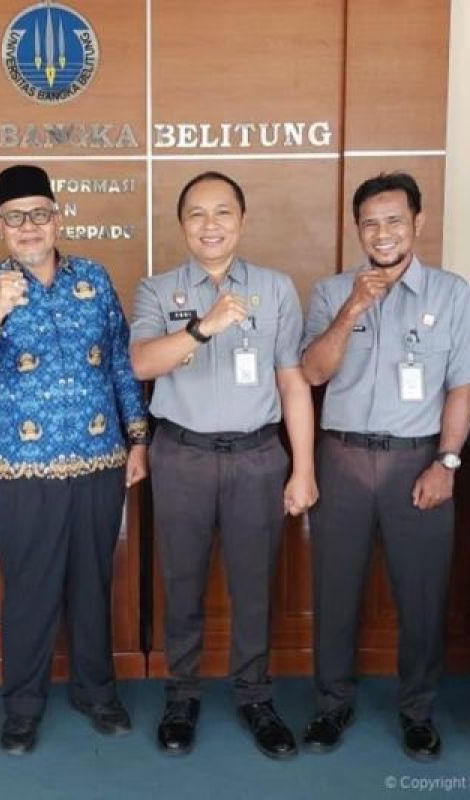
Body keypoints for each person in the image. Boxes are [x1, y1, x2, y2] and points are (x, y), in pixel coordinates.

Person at [0, 164, 149, 755]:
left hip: (98, 460)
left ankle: (96, 692)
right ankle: (23, 707)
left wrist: (138, 437)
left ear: (57, 219)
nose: (28, 226)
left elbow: (120, 360)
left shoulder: (93, 277)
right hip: (21, 468)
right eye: (15, 217)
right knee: (29, 592)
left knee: (92, 585)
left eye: (39, 214)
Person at [299, 172, 470, 761]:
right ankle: (332, 704)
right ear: (357, 229)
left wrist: (447, 463)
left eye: (394, 221)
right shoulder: (332, 291)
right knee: (335, 592)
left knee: (423, 595)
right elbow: (313, 372)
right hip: (342, 460)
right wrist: (353, 309)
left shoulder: (451, 294)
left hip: (418, 462)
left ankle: (417, 711)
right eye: (370, 224)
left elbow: (463, 387)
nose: (382, 234)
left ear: (418, 223)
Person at [129, 171, 317, 760]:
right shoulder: (157, 290)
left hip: (257, 458)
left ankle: (255, 697)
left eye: (222, 213)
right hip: (181, 456)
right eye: (197, 214)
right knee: (181, 582)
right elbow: (142, 363)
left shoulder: (275, 288)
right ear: (182, 224)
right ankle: (181, 696)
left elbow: (292, 381)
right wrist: (202, 327)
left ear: (242, 220)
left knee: (254, 586)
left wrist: (304, 468)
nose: (210, 225)